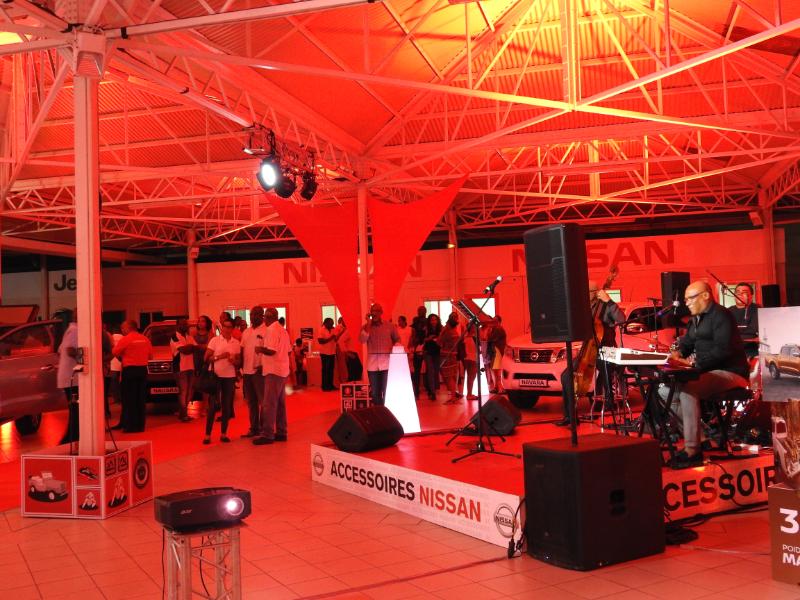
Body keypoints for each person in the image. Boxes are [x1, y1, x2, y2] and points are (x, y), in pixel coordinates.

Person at [659, 281, 749, 468]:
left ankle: (692, 450)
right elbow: (686, 343)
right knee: (664, 392)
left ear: (706, 296)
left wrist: (694, 364)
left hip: (732, 373)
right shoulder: (696, 318)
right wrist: (676, 354)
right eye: (685, 300)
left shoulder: (722, 315)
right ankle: (702, 437)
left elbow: (723, 350)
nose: (687, 303)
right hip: (709, 373)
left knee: (688, 389)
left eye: (690, 299)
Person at [556, 281, 625, 426]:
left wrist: (609, 301)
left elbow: (622, 319)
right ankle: (570, 416)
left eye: (587, 293)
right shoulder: (586, 308)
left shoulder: (606, 306)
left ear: (594, 293)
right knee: (566, 376)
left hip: (606, 350)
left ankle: (609, 399)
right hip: (588, 349)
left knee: (604, 371)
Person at [254, 307, 292, 445]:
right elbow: (288, 351)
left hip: (273, 371)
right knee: (280, 404)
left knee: (269, 404)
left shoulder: (271, 330)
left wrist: (260, 349)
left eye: (264, 317)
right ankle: (281, 432)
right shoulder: (283, 330)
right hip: (282, 370)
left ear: (267, 317)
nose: (263, 319)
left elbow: (271, 351)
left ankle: (268, 434)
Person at [203, 318, 241, 444]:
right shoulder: (215, 340)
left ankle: (224, 434)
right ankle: (207, 435)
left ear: (233, 328)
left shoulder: (236, 343)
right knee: (213, 405)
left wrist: (234, 361)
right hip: (215, 376)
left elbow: (239, 362)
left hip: (229, 376)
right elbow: (206, 358)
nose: (226, 329)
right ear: (222, 327)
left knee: (226, 406)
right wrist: (219, 357)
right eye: (225, 326)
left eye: (229, 327)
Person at [112, 320, 153, 433]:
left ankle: (130, 426)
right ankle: (140, 426)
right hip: (142, 371)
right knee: (140, 399)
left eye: (123, 328)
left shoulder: (126, 339)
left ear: (129, 328)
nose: (122, 330)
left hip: (130, 371)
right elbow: (150, 356)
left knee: (129, 399)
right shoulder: (145, 339)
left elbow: (115, 352)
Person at [360, 303, 400, 406]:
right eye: (373, 311)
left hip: (387, 364)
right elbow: (362, 340)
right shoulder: (365, 327)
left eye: (377, 311)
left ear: (381, 312)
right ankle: (379, 411)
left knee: (387, 391)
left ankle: (387, 412)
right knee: (375, 393)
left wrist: (395, 347)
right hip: (372, 365)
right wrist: (368, 324)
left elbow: (397, 339)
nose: (375, 313)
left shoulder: (390, 326)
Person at [240, 306, 266, 437]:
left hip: (259, 371)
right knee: (251, 402)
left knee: (263, 402)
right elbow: (242, 350)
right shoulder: (246, 332)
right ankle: (254, 428)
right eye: (251, 314)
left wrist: (264, 366)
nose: (252, 316)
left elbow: (269, 350)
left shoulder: (266, 330)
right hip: (247, 372)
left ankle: (264, 429)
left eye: (256, 314)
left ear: (262, 316)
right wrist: (240, 368)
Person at [57, 311, 79, 444]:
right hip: (73, 377)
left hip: (68, 376)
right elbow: (70, 350)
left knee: (74, 408)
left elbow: (60, 350)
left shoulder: (69, 330)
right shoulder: (75, 331)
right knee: (76, 409)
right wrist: (85, 358)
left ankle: (72, 436)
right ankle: (73, 436)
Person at [170, 318, 196, 423]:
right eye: (183, 324)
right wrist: (190, 347)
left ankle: (183, 413)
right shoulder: (174, 337)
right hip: (180, 368)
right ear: (177, 325)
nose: (186, 326)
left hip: (191, 367)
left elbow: (195, 348)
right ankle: (184, 414)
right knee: (183, 392)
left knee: (190, 391)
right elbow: (184, 350)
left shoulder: (189, 337)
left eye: (186, 324)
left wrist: (190, 347)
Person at [729, 282, 760, 359]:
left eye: (744, 292)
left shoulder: (757, 309)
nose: (740, 294)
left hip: (752, 353)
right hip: (731, 353)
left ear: (751, 296)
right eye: (737, 292)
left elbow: (752, 332)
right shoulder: (728, 311)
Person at [438, 313, 462, 403]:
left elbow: (439, 342)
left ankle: (453, 397)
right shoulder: (455, 332)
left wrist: (441, 333)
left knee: (448, 377)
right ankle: (454, 394)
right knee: (452, 376)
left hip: (446, 355)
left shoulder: (447, 331)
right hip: (454, 355)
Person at [422, 313, 442, 400]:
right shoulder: (426, 329)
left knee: (436, 371)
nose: (434, 321)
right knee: (430, 371)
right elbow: (422, 340)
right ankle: (432, 392)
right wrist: (429, 338)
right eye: (432, 320)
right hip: (428, 352)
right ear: (429, 321)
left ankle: (432, 389)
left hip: (437, 352)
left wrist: (439, 339)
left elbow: (443, 340)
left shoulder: (441, 329)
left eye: (435, 319)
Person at [337, 318, 363, 382]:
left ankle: (355, 386)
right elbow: (340, 341)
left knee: (358, 371)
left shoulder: (355, 330)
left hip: (356, 353)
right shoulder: (349, 331)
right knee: (354, 371)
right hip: (352, 353)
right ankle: (352, 386)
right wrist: (346, 352)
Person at [410, 306, 428, 398]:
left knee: (428, 370)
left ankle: (428, 389)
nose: (421, 312)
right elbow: (413, 332)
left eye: (422, 311)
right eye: (419, 311)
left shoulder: (427, 321)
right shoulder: (415, 320)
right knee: (417, 370)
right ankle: (416, 390)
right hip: (417, 347)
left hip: (426, 347)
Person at [486, 315, 507, 394]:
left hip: (498, 351)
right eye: (493, 320)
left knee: (497, 370)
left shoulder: (498, 329)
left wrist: (488, 331)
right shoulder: (494, 329)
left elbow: (490, 339)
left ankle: (500, 388)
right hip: (494, 351)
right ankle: (496, 387)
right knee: (494, 370)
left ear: (499, 322)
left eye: (495, 321)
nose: (492, 322)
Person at [317, 317, 338, 391]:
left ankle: (330, 385)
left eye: (332, 323)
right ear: (326, 323)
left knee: (331, 370)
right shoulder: (321, 330)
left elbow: (336, 339)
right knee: (325, 370)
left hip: (332, 352)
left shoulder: (333, 329)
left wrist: (336, 337)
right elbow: (320, 341)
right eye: (331, 323)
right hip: (324, 353)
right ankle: (324, 386)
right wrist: (331, 337)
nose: (332, 324)